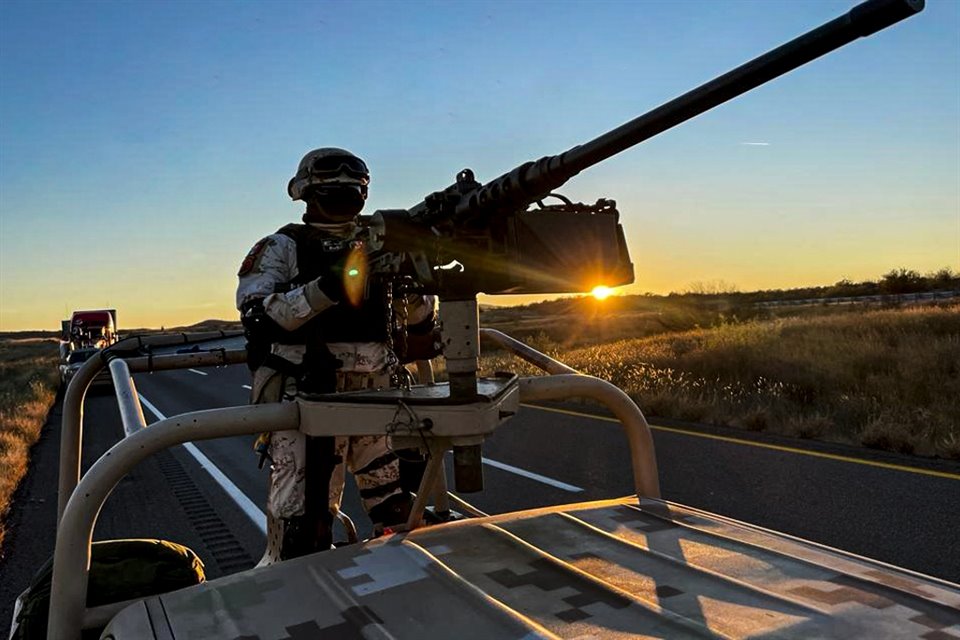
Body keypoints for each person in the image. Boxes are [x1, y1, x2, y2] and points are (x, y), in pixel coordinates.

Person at [236, 147, 438, 560]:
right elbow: (258, 315)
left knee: (399, 509)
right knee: (304, 526)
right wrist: (327, 287)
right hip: (307, 398)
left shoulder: (379, 241)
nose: (344, 189)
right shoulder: (282, 246)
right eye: (333, 181)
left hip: (377, 397)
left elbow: (418, 318)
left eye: (352, 182)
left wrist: (414, 269)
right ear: (306, 191)